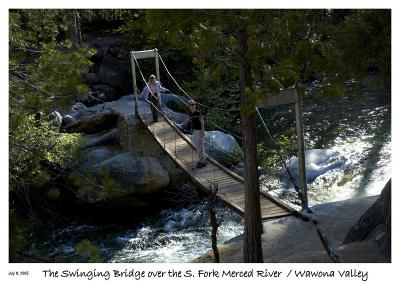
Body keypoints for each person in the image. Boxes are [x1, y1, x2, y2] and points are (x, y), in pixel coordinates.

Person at [182, 100, 207, 168]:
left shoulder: (198, 113)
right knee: (198, 146)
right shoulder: (191, 114)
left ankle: (203, 162)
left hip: (199, 131)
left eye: (193, 104)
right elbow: (190, 122)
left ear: (195, 105)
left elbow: (202, 121)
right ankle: (203, 159)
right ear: (189, 106)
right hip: (195, 131)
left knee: (199, 146)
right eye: (191, 105)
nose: (192, 106)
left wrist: (202, 130)